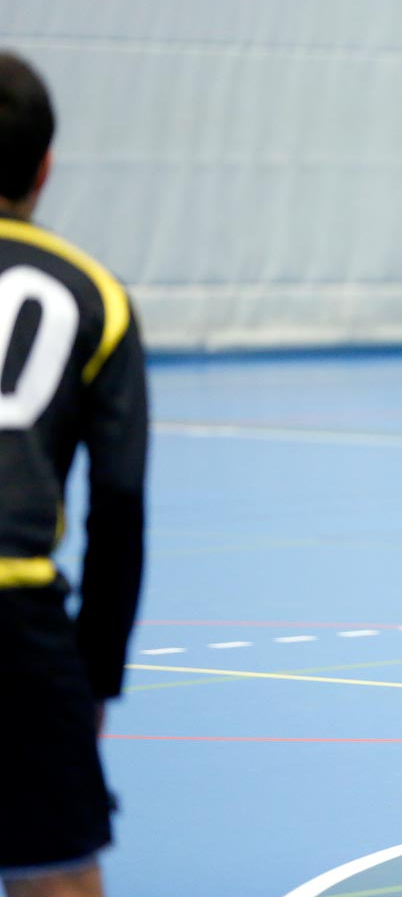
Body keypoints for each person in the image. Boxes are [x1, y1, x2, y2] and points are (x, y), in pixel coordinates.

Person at [0, 51, 149, 897]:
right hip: (17, 621)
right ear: (46, 166)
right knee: (53, 878)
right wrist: (95, 676)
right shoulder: (93, 293)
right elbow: (119, 503)